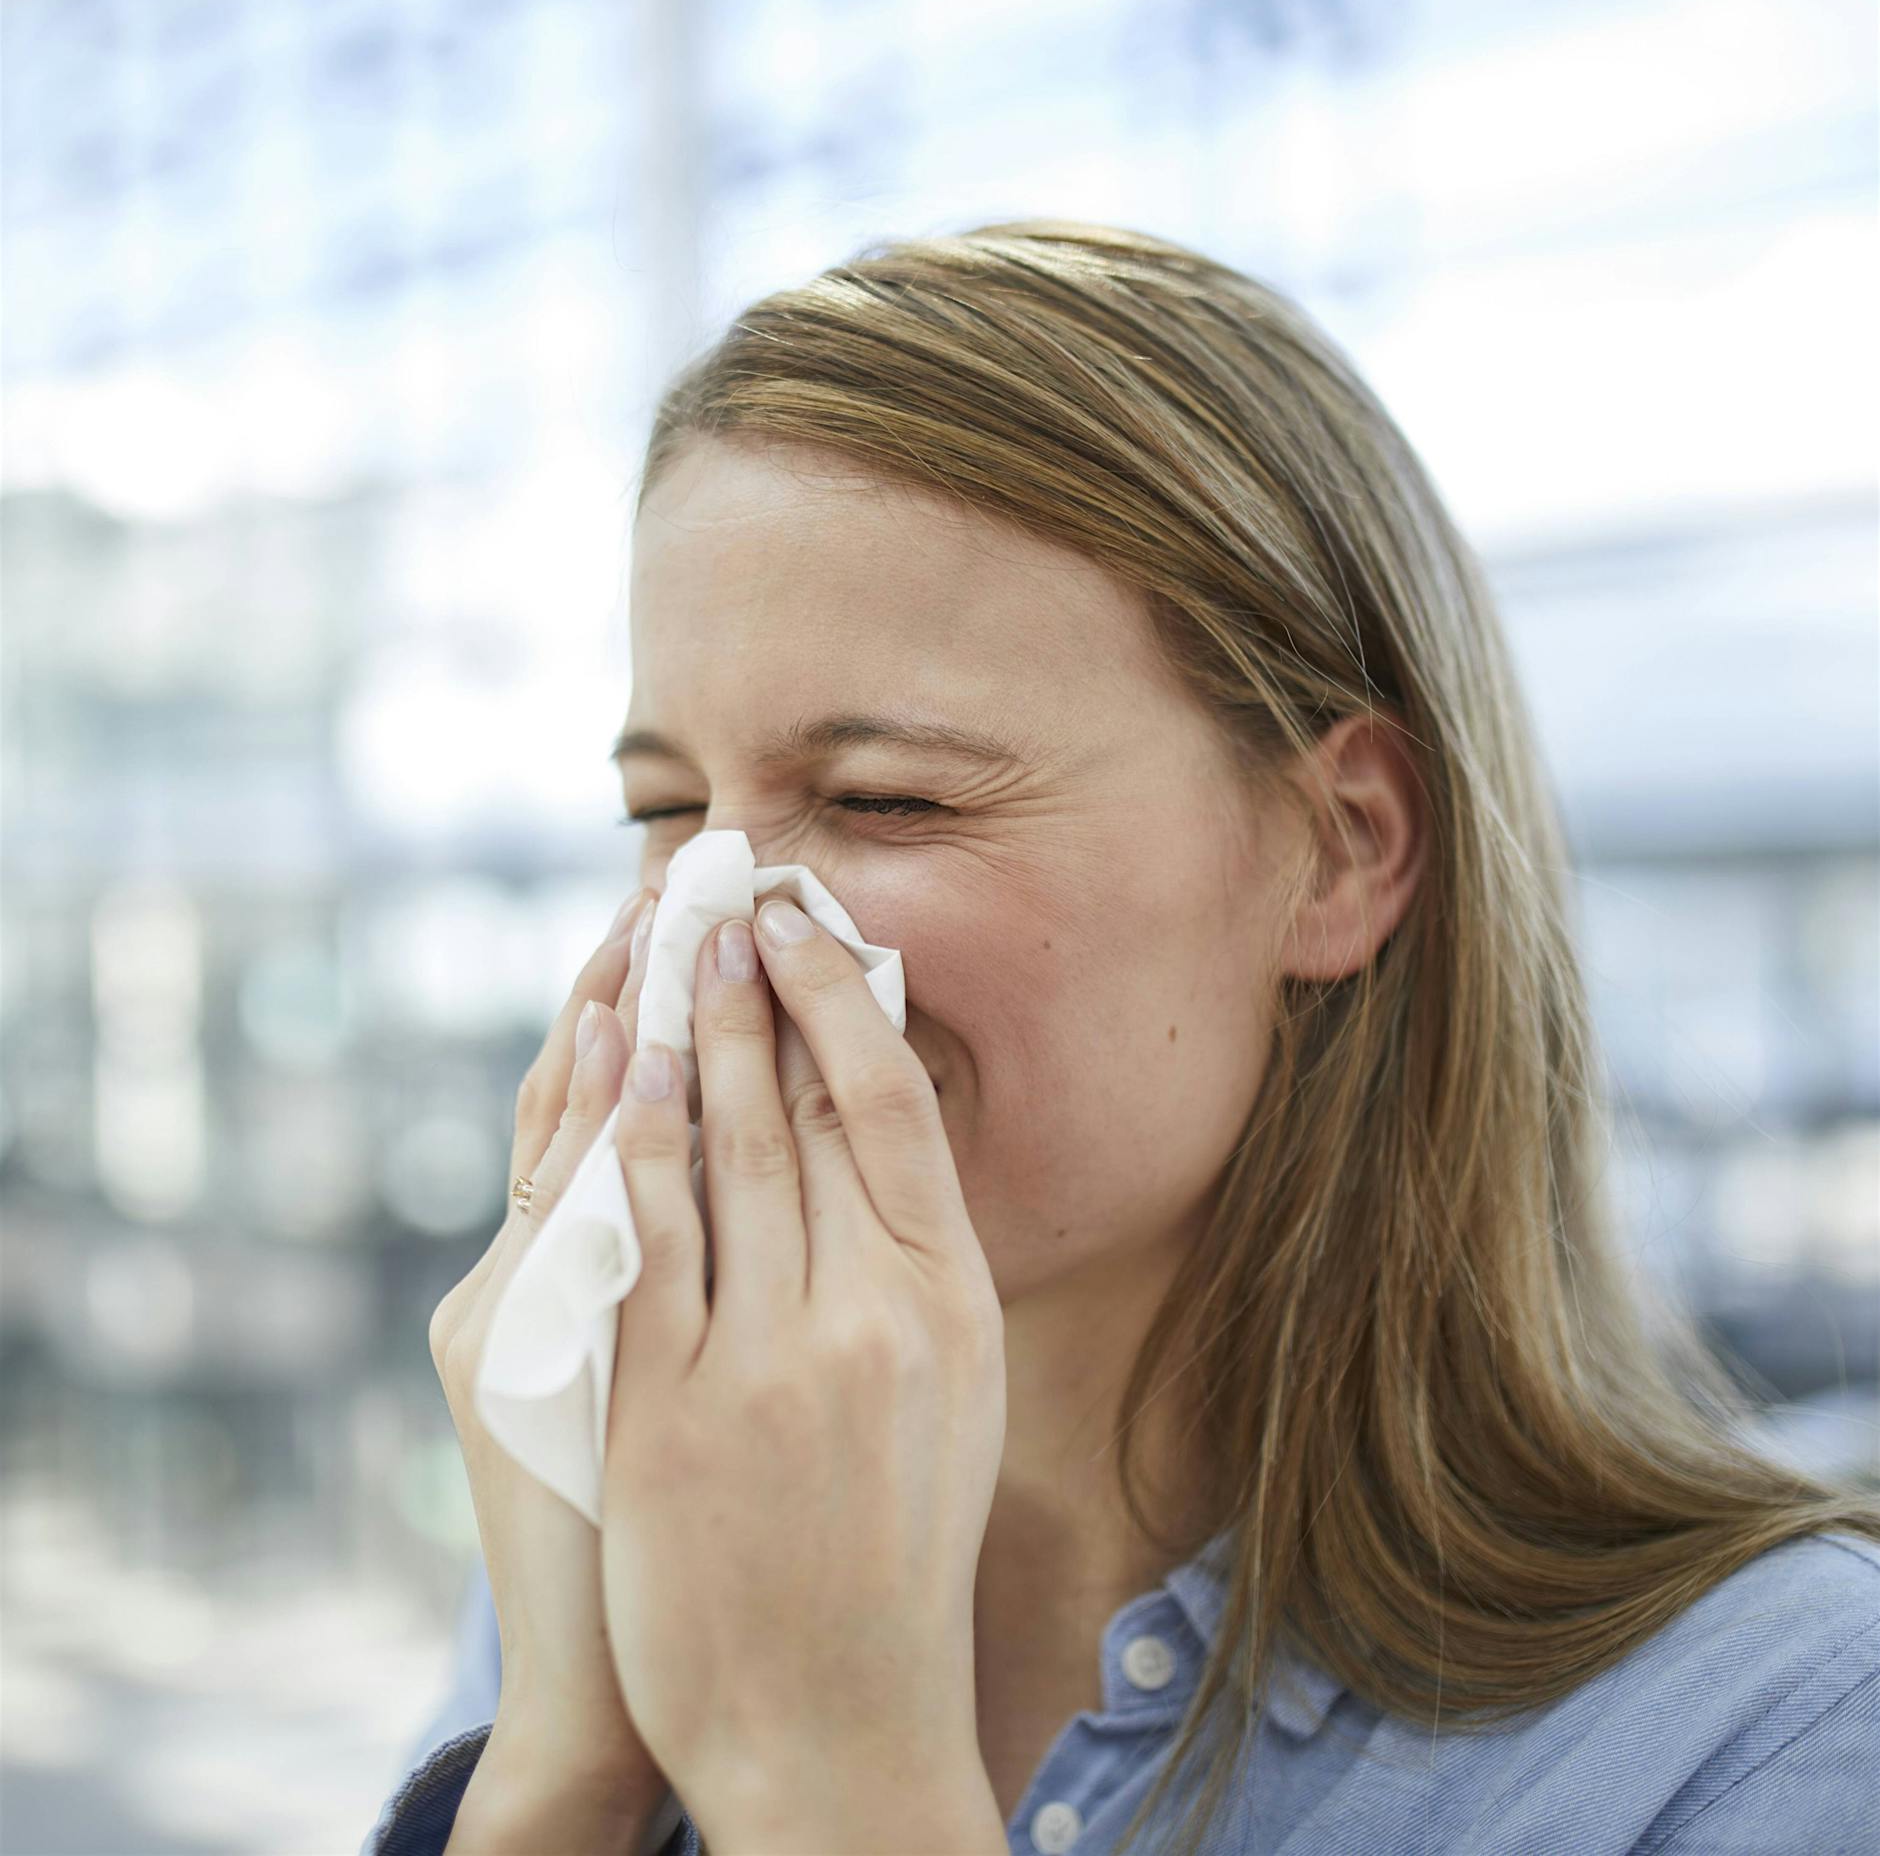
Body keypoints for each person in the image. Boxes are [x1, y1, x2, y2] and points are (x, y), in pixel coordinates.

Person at [364, 220, 1880, 1856]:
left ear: (1344, 850)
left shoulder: (1777, 1731)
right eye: (665, 808)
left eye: (888, 798)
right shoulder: (644, 1510)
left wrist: (832, 1783)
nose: (704, 928)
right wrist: (564, 1774)